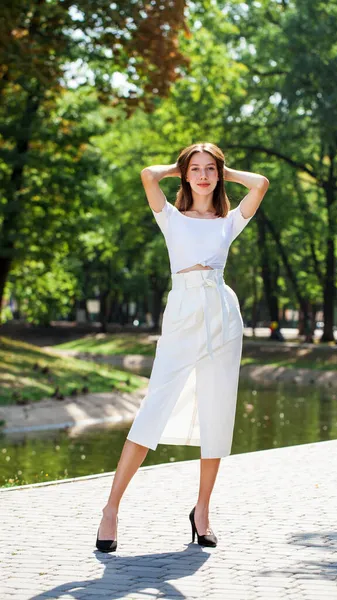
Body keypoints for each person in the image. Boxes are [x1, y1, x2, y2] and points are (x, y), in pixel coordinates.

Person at [96, 142, 269, 552]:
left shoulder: (228, 222)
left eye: (211, 169)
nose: (204, 175)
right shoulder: (170, 217)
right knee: (155, 405)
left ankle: (202, 511)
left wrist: (224, 170)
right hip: (182, 315)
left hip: (222, 318)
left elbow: (260, 183)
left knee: (217, 412)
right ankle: (110, 510)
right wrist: (179, 168)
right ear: (186, 174)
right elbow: (147, 175)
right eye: (196, 169)